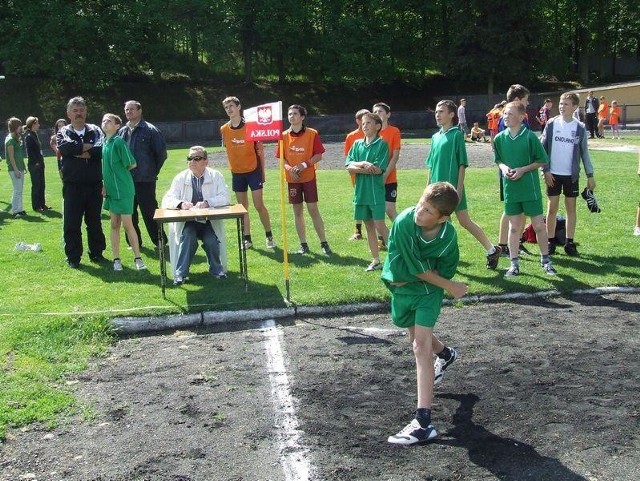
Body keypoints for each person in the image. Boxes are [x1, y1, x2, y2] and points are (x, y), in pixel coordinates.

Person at [382, 182, 468, 445]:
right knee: (417, 341)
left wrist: (445, 284)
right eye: (421, 204)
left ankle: (423, 422)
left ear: (443, 218)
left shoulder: (448, 237)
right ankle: (445, 354)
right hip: (405, 290)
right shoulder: (405, 222)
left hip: (429, 292)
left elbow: (446, 268)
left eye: (428, 211)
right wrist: (451, 287)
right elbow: (418, 269)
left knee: (420, 347)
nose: (420, 212)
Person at [426, 100, 501, 269]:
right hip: (436, 190)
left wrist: (458, 191)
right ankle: (444, 257)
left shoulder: (456, 135)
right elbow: (431, 166)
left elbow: (462, 164)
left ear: (452, 115)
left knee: (464, 221)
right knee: (441, 223)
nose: (437, 114)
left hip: (452, 189)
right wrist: (427, 188)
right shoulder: (435, 137)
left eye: (441, 111)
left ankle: (491, 250)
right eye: (436, 111)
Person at [493, 102, 557, 276]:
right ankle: (514, 264)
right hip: (511, 190)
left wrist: (522, 170)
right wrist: (504, 168)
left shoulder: (529, 137)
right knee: (514, 228)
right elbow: (498, 160)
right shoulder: (499, 138)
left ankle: (546, 261)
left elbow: (542, 160)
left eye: (510, 113)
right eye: (504, 113)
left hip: (530, 190)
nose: (505, 116)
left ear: (521, 117)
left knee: (538, 226)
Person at [161, 146, 230, 285]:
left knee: (211, 239)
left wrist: (208, 202)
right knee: (188, 236)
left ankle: (217, 270)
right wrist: (180, 204)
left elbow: (225, 197)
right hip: (188, 222)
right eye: (190, 158)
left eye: (196, 158)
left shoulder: (216, 176)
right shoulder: (180, 178)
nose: (192, 161)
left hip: (208, 221)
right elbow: (166, 200)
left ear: (206, 161)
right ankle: (180, 275)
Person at [541, 92, 596, 257]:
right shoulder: (551, 124)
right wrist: (545, 170)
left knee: (571, 208)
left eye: (566, 104)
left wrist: (590, 174)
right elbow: (542, 150)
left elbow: (585, 153)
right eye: (561, 103)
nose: (561, 106)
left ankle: (569, 242)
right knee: (552, 208)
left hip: (571, 176)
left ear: (574, 106)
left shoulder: (579, 127)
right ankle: (550, 241)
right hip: (553, 174)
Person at [276, 104, 332, 256]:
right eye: (289, 114)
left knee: (313, 209)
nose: (291, 116)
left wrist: (303, 165)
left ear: (302, 117)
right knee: (297, 212)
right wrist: (290, 169)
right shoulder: (283, 135)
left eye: (295, 113)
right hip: (292, 180)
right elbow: (282, 159)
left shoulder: (312, 134)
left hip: (308, 178)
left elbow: (318, 155)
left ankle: (324, 243)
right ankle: (303, 245)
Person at [57, 96, 107, 268]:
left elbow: (101, 150)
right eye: (75, 111)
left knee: (94, 221)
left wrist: (78, 149)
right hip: (73, 185)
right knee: (72, 222)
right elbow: (65, 148)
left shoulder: (96, 130)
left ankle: (97, 253)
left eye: (81, 110)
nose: (79, 113)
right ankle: (73, 257)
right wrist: (87, 148)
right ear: (69, 114)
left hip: (94, 184)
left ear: (86, 112)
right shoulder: (63, 131)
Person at [220, 96, 275, 250]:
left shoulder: (251, 126)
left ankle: (269, 236)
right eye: (226, 107)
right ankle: (247, 239)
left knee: (259, 205)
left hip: (253, 171)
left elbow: (260, 151)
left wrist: (262, 172)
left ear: (239, 107)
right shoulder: (224, 129)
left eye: (231, 106)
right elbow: (228, 151)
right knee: (242, 208)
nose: (229, 109)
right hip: (237, 174)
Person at [100, 113, 146, 271]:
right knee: (114, 224)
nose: (105, 123)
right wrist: (105, 184)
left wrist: (119, 177)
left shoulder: (119, 142)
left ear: (117, 126)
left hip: (124, 190)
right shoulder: (105, 143)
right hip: (111, 192)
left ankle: (138, 258)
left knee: (128, 225)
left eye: (109, 121)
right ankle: (116, 259)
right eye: (103, 120)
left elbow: (131, 164)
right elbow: (104, 168)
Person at [118, 100, 167, 247]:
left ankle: (159, 241)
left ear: (140, 111)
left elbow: (161, 154)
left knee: (150, 212)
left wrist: (152, 170)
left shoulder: (151, 130)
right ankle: (134, 242)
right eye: (126, 110)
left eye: (132, 109)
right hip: (126, 180)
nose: (128, 112)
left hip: (145, 180)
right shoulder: (122, 131)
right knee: (129, 213)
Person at [345, 112, 389, 271]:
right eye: (363, 123)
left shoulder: (382, 144)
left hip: (375, 193)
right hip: (360, 193)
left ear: (378, 126)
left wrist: (357, 169)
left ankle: (398, 256)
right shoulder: (356, 144)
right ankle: (376, 260)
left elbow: (378, 170)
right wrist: (363, 163)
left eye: (368, 123)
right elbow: (348, 167)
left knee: (380, 225)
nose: (365, 126)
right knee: (368, 226)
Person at [496, 84, 531, 258]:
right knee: (511, 210)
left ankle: (513, 243)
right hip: (511, 171)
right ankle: (504, 244)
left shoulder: (519, 117)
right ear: (517, 100)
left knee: (517, 209)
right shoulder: (507, 118)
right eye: (525, 99)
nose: (527, 103)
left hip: (520, 170)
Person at [372, 102, 402, 248]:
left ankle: (404, 234)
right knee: (376, 211)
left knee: (389, 210)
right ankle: (382, 239)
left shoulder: (394, 131)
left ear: (388, 114)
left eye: (381, 111)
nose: (378, 114)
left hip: (389, 178)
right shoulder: (371, 133)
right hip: (372, 179)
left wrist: (384, 176)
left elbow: (395, 157)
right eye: (375, 111)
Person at [344, 108, 370, 241]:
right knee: (359, 202)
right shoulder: (351, 137)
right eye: (363, 120)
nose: (366, 123)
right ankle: (358, 230)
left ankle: (378, 233)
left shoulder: (375, 134)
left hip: (371, 175)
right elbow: (348, 159)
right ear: (357, 121)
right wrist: (361, 166)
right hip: (357, 175)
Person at [24, 116, 49, 212]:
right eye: (37, 123)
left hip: (40, 163)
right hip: (34, 165)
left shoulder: (34, 134)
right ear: (33, 124)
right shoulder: (29, 136)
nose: (39, 125)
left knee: (42, 184)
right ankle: (36, 206)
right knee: (36, 185)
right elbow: (30, 152)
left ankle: (42, 204)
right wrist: (36, 162)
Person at [5, 117, 27, 218]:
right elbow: (11, 157)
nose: (21, 127)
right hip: (14, 169)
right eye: (19, 125)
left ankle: (20, 209)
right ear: (15, 127)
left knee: (20, 189)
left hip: (20, 167)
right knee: (17, 190)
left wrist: (23, 166)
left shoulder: (16, 138)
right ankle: (15, 211)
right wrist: (16, 169)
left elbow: (19, 155)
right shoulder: (10, 140)